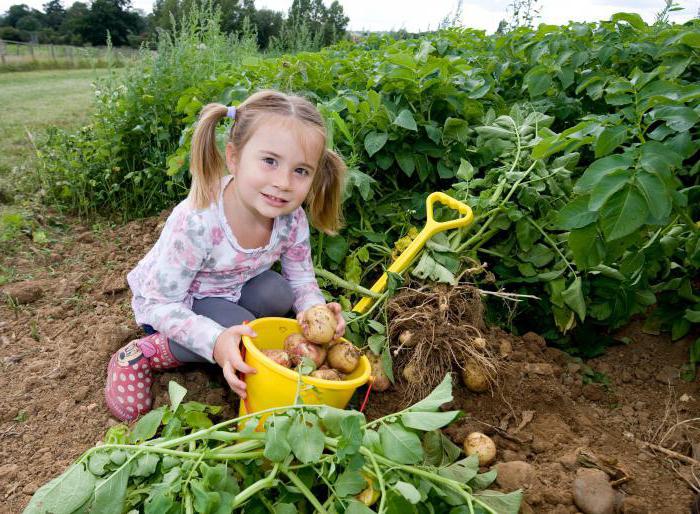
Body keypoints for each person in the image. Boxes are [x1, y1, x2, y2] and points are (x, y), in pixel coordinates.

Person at [104, 90, 347, 422]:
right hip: (171, 306)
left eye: (301, 171)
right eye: (270, 161)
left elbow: (302, 278)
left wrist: (313, 312)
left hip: (231, 290)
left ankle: (232, 332)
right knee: (244, 332)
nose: (283, 183)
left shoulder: (292, 219)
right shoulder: (198, 220)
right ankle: (143, 355)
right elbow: (160, 304)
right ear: (234, 158)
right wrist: (216, 341)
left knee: (279, 292)